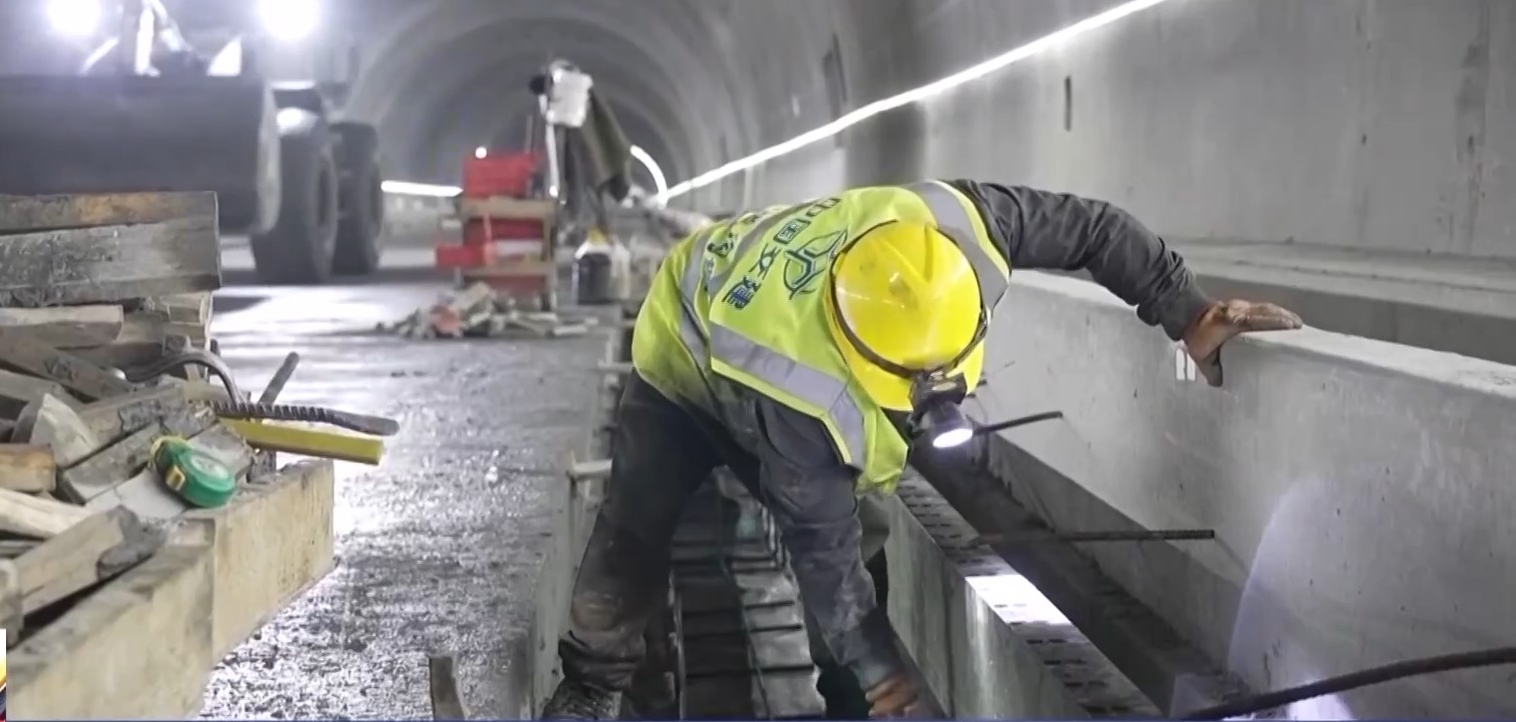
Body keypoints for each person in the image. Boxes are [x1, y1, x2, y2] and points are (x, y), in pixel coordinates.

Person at [538, 180, 1302, 720]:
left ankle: (846, 704)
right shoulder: (805, 395)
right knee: (638, 521)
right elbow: (824, 558)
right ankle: (590, 687)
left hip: (782, 311)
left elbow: (1098, 230)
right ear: (859, 363)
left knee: (862, 541)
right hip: (689, 341)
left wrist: (1190, 309)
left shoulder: (960, 229)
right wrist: (884, 669)